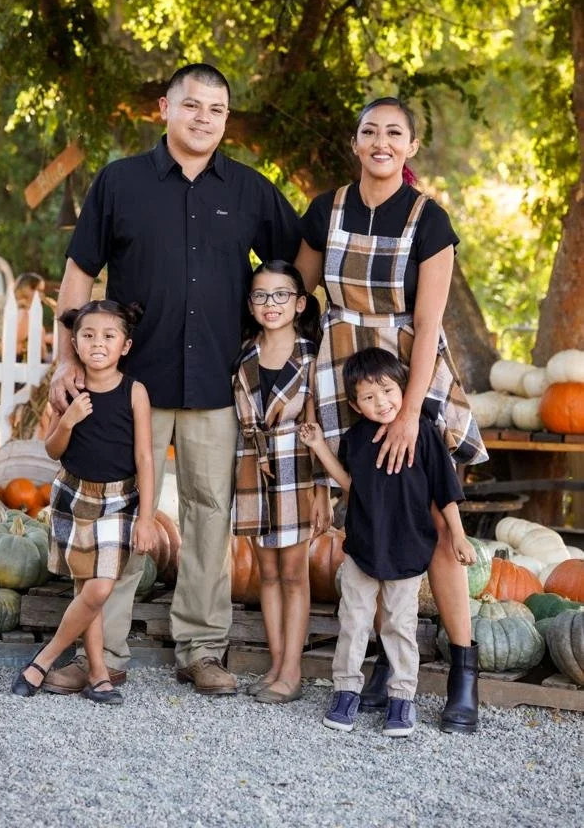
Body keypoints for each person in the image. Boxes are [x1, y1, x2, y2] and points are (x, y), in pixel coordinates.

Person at [44, 63, 302, 697]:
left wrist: (279, 335)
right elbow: (79, 275)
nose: (203, 119)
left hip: (218, 380)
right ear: (165, 107)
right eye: (192, 106)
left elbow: (297, 266)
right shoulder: (120, 183)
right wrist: (64, 359)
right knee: (120, 508)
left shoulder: (250, 191)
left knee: (211, 516)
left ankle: (202, 649)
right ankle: (103, 651)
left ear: (226, 119)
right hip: (130, 384)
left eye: (216, 110)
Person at [294, 96, 488, 734]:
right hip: (343, 368)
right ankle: (379, 667)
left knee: (426, 512)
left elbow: (431, 322)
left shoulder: (429, 220)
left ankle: (464, 667)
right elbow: (298, 297)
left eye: (394, 133)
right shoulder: (326, 209)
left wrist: (409, 413)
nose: (381, 141)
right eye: (370, 130)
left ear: (409, 148)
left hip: (408, 370)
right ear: (355, 142)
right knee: (371, 508)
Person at [301, 348, 477, 736]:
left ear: (404, 389)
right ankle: (345, 691)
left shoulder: (424, 435)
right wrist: (318, 448)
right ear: (354, 404)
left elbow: (445, 490)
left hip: (408, 548)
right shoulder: (355, 440)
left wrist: (459, 536)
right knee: (354, 622)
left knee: (399, 625)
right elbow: (351, 487)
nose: (381, 402)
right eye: (368, 396)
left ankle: (401, 699)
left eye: (388, 390)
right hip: (363, 547)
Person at [12, 299, 156, 705]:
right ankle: (97, 674)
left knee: (98, 589)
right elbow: (53, 449)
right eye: (89, 336)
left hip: (118, 502)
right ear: (74, 342)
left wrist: (146, 517)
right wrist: (69, 419)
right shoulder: (72, 391)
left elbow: (146, 458)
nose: (98, 343)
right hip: (73, 497)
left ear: (124, 346)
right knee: (85, 588)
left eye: (109, 336)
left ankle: (44, 658)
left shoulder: (135, 392)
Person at [232, 260, 331, 704]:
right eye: (260, 295)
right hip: (253, 467)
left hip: (296, 470)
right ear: (250, 304)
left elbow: (319, 427)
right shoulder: (244, 354)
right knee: (265, 573)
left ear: (300, 303)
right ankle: (274, 664)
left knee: (294, 573)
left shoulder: (311, 356)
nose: (270, 304)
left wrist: (324, 490)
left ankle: (292, 670)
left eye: (281, 295)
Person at [14, 272, 54, 359]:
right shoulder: (23, 313)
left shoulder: (28, 312)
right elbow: (18, 339)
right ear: (27, 289)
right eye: (39, 290)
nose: (42, 295)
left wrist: (46, 338)